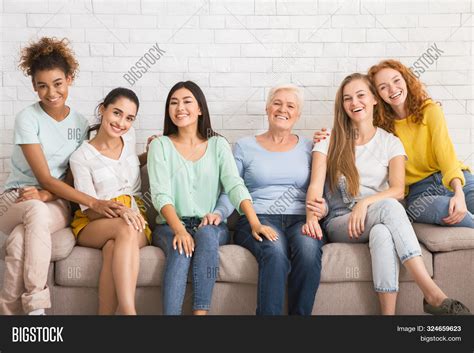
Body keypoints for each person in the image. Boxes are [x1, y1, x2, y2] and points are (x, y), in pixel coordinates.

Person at [310, 73, 470, 315]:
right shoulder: (329, 141)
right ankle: (431, 292)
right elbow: (315, 185)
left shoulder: (390, 142)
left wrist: (365, 203)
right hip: (342, 221)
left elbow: (397, 190)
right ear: (342, 105)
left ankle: (387, 319)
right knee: (391, 208)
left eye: (361, 95)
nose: (355, 103)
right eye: (347, 99)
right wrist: (312, 214)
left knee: (383, 232)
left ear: (374, 99)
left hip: (377, 216)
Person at [0, 37, 122, 315]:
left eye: (57, 83)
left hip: (55, 202)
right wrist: (92, 202)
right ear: (34, 87)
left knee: (20, 240)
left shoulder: (79, 123)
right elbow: (43, 177)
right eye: (42, 86)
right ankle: (36, 306)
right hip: (15, 199)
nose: (51, 92)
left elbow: (73, 172)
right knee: (33, 210)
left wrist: (48, 195)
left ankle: (7, 319)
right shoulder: (27, 119)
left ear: (69, 79)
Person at [148, 81, 276, 315]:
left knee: (206, 234)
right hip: (170, 224)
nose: (180, 108)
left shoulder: (218, 144)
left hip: (209, 224)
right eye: (173, 103)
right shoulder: (160, 145)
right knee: (180, 249)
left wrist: (255, 222)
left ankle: (201, 315)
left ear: (200, 109)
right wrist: (179, 229)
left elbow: (235, 185)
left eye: (187, 102)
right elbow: (160, 194)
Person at [315, 59, 473, 228]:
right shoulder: (381, 126)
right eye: (383, 87)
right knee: (449, 210)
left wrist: (458, 193)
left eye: (396, 81)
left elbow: (446, 154)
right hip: (418, 191)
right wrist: (327, 136)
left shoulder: (430, 110)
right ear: (377, 95)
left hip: (456, 179)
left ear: (406, 80)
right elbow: (354, 127)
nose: (392, 89)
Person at [215, 84, 324, 315]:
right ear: (267, 108)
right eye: (277, 103)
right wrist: (218, 213)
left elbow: (321, 187)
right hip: (257, 217)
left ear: (298, 114)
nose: (282, 109)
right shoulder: (245, 146)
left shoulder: (309, 147)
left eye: (290, 105)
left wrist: (323, 208)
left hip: (299, 218)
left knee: (308, 250)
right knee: (275, 252)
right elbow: (232, 189)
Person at [69, 88, 151, 315]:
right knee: (124, 227)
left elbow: (129, 163)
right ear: (102, 110)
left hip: (135, 216)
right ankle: (128, 312)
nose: (122, 122)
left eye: (129, 118)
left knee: (113, 248)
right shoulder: (81, 157)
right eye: (117, 113)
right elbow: (91, 210)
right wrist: (120, 211)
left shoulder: (130, 137)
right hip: (95, 221)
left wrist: (148, 154)